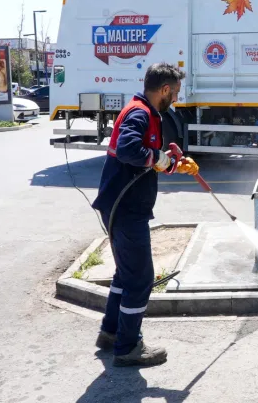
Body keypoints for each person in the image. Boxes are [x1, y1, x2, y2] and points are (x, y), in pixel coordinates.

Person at [91, 62, 199, 367]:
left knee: (126, 274)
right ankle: (128, 347)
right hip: (125, 209)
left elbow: (146, 158)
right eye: (175, 93)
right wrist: (159, 158)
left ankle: (111, 333)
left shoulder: (143, 111)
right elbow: (129, 151)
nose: (175, 99)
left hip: (121, 206)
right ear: (164, 89)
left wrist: (173, 163)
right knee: (140, 279)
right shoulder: (140, 113)